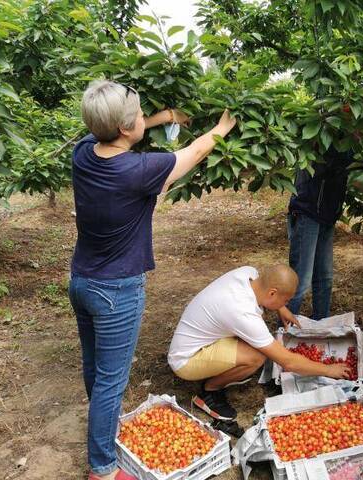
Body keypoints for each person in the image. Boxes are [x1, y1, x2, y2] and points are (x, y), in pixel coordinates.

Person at [68, 80, 237, 480]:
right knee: (112, 381)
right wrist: (223, 127)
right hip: (117, 290)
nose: (146, 119)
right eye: (141, 116)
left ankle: (103, 430)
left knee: (96, 369)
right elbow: (194, 151)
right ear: (126, 129)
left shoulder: (83, 155)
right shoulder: (142, 168)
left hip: (82, 282)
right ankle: (103, 470)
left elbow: (110, 135)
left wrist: (163, 117)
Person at [167, 264, 351, 421]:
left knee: (255, 343)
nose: (285, 303)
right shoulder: (243, 312)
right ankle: (210, 391)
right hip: (186, 360)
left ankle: (222, 369)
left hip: (202, 337)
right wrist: (328, 370)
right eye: (285, 300)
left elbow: (267, 288)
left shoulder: (248, 273)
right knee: (257, 356)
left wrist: (281, 307)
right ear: (272, 293)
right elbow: (288, 361)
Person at [286, 147, 363, 321]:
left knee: (324, 278)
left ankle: (321, 325)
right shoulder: (328, 133)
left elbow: (360, 166)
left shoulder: (350, 142)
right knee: (300, 280)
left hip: (326, 214)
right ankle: (285, 332)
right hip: (307, 211)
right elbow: (350, 174)